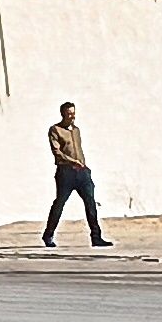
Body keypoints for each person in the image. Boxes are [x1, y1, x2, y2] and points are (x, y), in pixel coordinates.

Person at [43, 102, 108, 247]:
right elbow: (57, 152)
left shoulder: (76, 130)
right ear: (63, 114)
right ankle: (48, 235)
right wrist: (73, 161)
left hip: (82, 172)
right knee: (59, 203)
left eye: (73, 113)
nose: (72, 116)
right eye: (69, 113)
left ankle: (96, 237)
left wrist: (84, 167)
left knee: (90, 203)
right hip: (65, 173)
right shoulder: (55, 130)